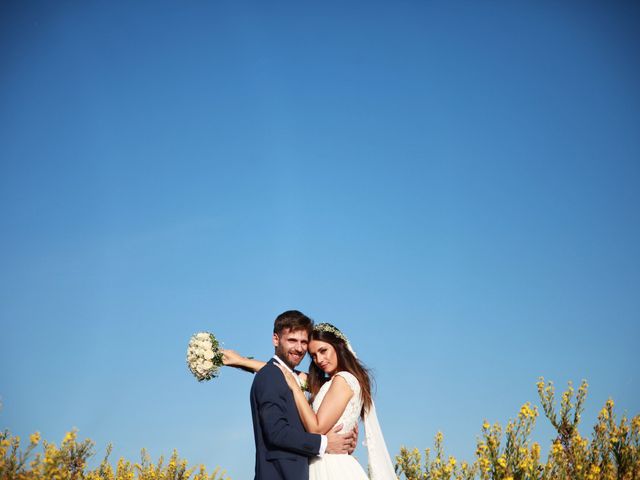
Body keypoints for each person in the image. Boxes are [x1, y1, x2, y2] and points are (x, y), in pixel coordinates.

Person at [224, 315, 397, 480]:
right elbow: (282, 371)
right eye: (314, 355)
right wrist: (241, 361)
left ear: (339, 346)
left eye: (323, 351)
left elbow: (316, 428)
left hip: (331, 466)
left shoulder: (343, 381)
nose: (319, 360)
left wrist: (295, 389)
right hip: (317, 462)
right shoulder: (325, 384)